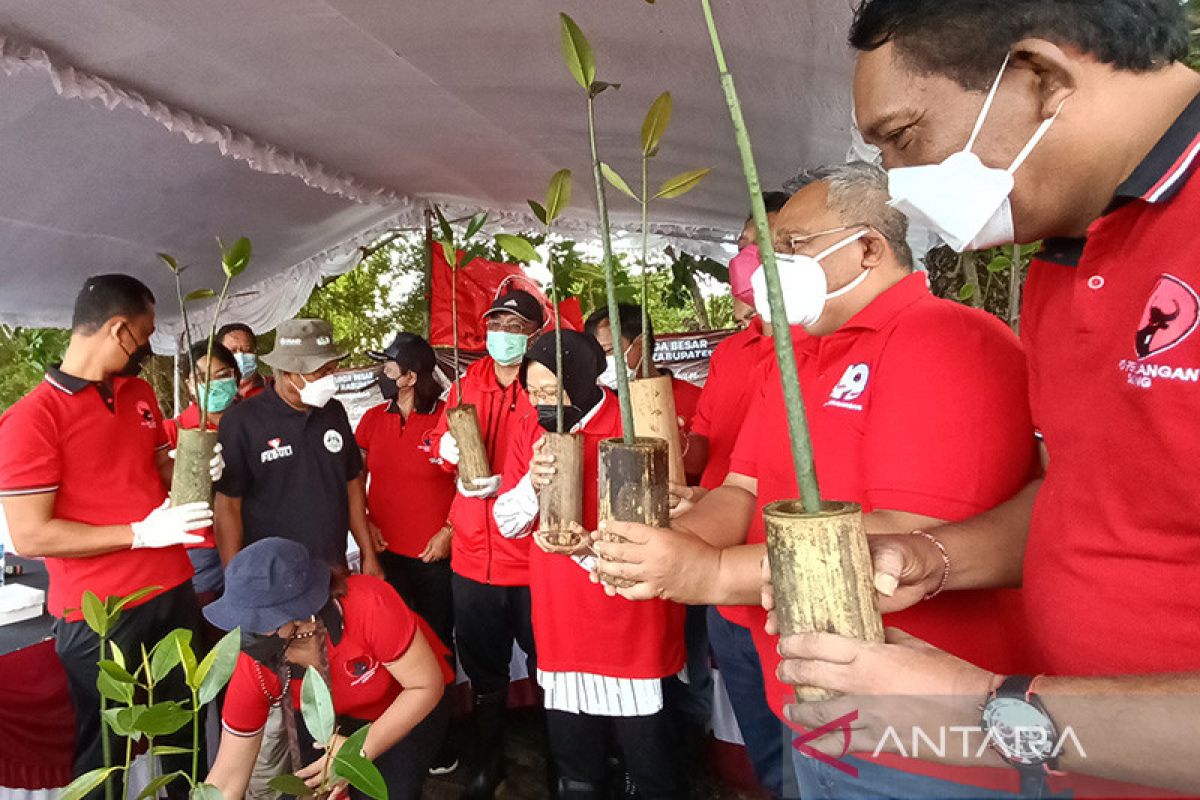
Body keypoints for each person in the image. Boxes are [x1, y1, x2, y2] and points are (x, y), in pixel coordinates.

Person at [773, 1, 1200, 796]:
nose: (896, 189)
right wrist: (930, 559)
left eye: (904, 138)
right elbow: (1093, 495)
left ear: (1040, 78)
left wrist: (983, 713)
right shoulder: (1067, 258)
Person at [593, 163, 1038, 799]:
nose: (769, 267)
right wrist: (672, 545)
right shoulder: (797, 353)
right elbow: (740, 487)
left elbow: (909, 535)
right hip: (805, 689)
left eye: (792, 247)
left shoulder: (949, 340)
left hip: (919, 724)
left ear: (869, 248)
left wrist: (713, 572)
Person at [0, 274, 219, 797]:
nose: (146, 350)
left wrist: (194, 467)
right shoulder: (32, 419)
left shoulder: (138, 392)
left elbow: (149, 468)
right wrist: (138, 535)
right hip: (102, 611)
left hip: (171, 587)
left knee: (186, 733)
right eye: (143, 337)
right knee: (106, 754)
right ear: (119, 330)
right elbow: (30, 536)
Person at [492, 330, 687, 800]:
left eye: (549, 391)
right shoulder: (531, 429)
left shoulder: (636, 425)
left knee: (652, 760)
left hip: (631, 617)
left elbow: (665, 535)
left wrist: (584, 549)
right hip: (562, 621)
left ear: (580, 381)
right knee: (575, 763)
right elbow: (507, 522)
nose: (540, 403)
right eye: (532, 393)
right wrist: (532, 486)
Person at [682, 192, 790, 798]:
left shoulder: (812, 346)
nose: (751, 257)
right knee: (765, 745)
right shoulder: (732, 351)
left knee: (825, 749)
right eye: (746, 245)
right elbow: (709, 454)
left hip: (788, 575)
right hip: (725, 578)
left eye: (769, 243)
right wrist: (670, 467)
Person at [205, 537, 451, 800]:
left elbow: (426, 685)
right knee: (316, 789)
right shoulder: (255, 661)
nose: (247, 631)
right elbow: (228, 778)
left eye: (258, 620)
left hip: (407, 705)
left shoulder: (369, 604)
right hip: (328, 722)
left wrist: (356, 753)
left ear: (299, 612)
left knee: (389, 792)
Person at [430, 289, 543, 798]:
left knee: (549, 668)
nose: (505, 336)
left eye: (518, 328)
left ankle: (561, 762)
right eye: (499, 324)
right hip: (473, 557)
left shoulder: (544, 384)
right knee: (484, 672)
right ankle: (488, 762)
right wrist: (445, 447)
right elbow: (437, 444)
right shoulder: (464, 385)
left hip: (533, 559)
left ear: (535, 336)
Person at [358, 332, 458, 775]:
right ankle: (393, 739)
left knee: (437, 653)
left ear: (410, 377)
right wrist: (366, 524)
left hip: (436, 558)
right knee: (392, 653)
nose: (382, 373)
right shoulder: (372, 419)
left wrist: (451, 531)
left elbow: (471, 483)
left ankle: (440, 743)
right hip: (386, 557)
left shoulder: (449, 419)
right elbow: (352, 481)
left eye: (388, 367)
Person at [213, 318, 380, 576]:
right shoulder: (241, 422)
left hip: (332, 568)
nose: (330, 379)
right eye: (320, 371)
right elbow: (228, 507)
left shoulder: (333, 412)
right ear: (289, 372)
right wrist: (236, 578)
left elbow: (352, 484)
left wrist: (368, 554)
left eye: (332, 369)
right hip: (273, 576)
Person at [163, 340, 241, 601]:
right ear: (189, 385)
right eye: (204, 378)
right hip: (201, 553)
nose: (215, 384)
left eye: (222, 376)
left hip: (252, 540)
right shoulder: (175, 432)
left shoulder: (252, 424)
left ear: (235, 376)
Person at [217, 322, 269, 399]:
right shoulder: (213, 399)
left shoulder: (275, 388)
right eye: (232, 351)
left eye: (247, 350)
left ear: (255, 352)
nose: (240, 356)